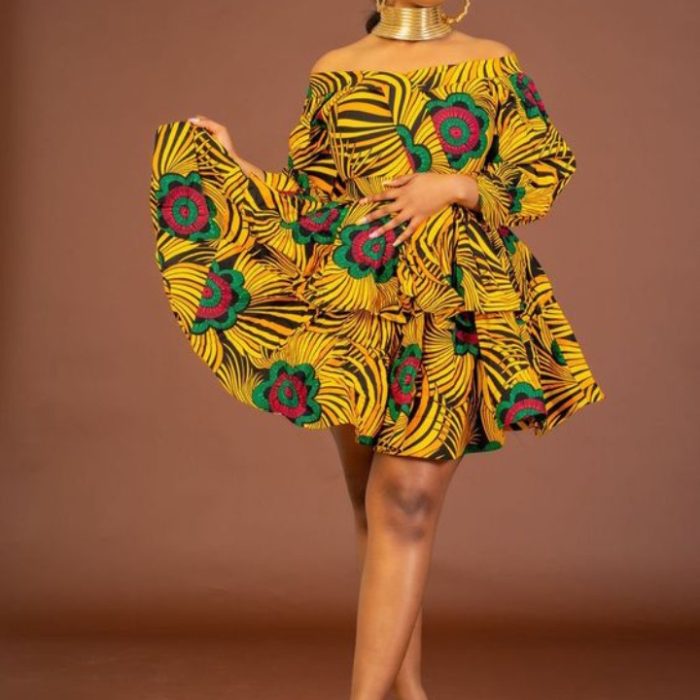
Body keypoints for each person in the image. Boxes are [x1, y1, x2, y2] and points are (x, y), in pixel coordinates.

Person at [148, 1, 605, 698]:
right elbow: (312, 201)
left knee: (406, 502)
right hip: (358, 296)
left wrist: (453, 186)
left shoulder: (492, 61)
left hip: (453, 296)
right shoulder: (336, 70)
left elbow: (546, 168)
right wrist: (233, 164)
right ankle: (408, 693)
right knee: (375, 506)